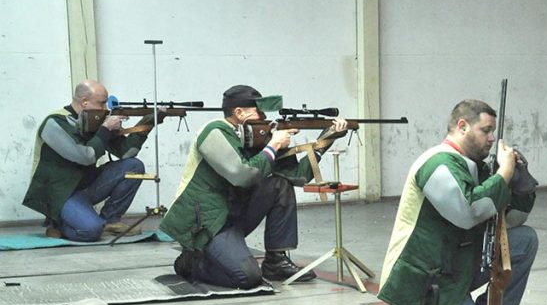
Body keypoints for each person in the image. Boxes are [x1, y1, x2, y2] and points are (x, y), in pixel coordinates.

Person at [379, 98, 540, 305]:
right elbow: (468, 212)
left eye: (492, 132)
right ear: (462, 126)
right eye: (485, 130)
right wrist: (503, 175)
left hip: (455, 264)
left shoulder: (475, 166)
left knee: (523, 240)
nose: (491, 139)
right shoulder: (437, 163)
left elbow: (511, 221)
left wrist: (520, 181)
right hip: (426, 276)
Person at [160, 85, 347, 288]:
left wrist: (327, 138)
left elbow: (298, 176)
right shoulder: (213, 131)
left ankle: (275, 261)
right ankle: (192, 263)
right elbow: (242, 175)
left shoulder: (255, 137)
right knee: (247, 277)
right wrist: (273, 145)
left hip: (232, 215)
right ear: (239, 112)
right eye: (257, 111)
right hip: (207, 224)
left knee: (279, 184)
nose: (263, 116)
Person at [23, 79, 150, 241]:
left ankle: (110, 220)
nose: (105, 109)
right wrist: (105, 129)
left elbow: (125, 154)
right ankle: (56, 223)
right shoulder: (54, 123)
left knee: (133, 166)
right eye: (102, 103)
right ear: (84, 102)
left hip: (86, 185)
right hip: (61, 193)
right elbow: (84, 156)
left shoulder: (93, 122)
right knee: (91, 231)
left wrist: (148, 123)